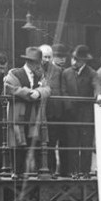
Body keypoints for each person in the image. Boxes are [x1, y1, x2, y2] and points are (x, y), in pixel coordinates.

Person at [4, 46, 50, 176]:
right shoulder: (15, 73)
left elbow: (47, 89)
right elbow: (10, 88)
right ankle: (17, 174)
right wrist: (29, 93)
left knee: (33, 143)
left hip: (33, 116)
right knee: (18, 145)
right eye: (37, 62)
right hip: (18, 114)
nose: (39, 65)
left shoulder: (40, 75)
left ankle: (32, 176)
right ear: (30, 62)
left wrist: (38, 92)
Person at [61, 44, 96, 176]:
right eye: (73, 58)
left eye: (77, 59)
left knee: (86, 145)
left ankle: (85, 172)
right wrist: (69, 105)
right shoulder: (66, 73)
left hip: (86, 115)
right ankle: (73, 172)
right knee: (73, 144)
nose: (73, 62)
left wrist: (98, 95)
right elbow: (63, 91)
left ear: (84, 61)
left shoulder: (91, 73)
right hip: (71, 114)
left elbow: (97, 85)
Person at [41, 44, 69, 174]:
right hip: (42, 112)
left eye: (49, 57)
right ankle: (49, 170)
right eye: (44, 57)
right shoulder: (36, 69)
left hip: (57, 112)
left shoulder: (58, 71)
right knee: (47, 144)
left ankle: (63, 171)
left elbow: (63, 90)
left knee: (59, 141)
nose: (46, 59)